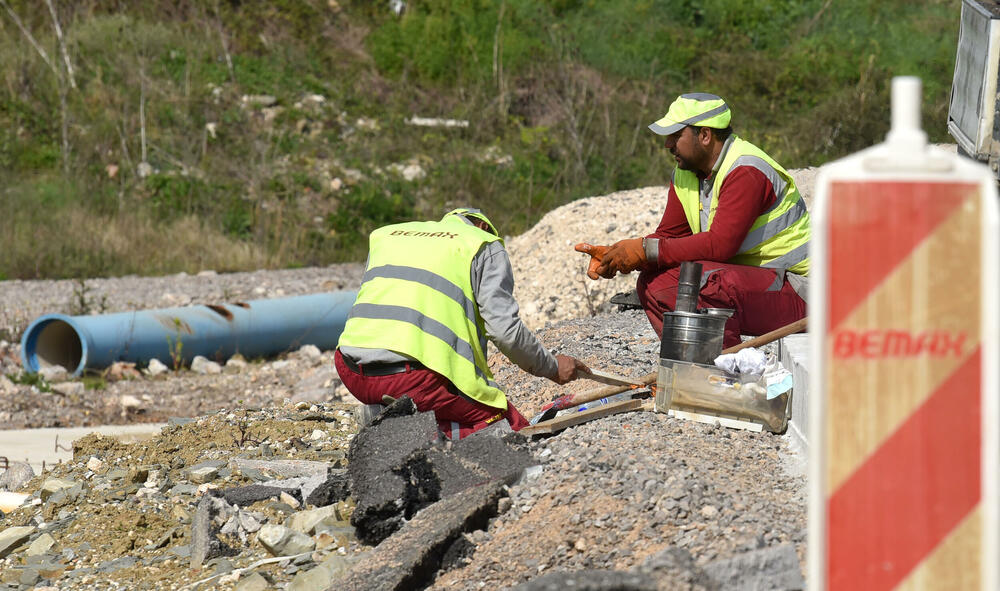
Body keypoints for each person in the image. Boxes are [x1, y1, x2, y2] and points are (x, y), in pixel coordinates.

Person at [576, 93, 809, 348]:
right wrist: (618, 255)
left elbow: (720, 245)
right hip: (764, 284)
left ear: (705, 136)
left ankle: (724, 372)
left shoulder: (746, 169)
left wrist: (643, 250)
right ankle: (692, 366)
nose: (667, 144)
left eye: (676, 136)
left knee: (705, 282)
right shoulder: (687, 175)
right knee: (653, 282)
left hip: (804, 291)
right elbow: (668, 237)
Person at [336, 207, 589, 439]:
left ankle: (387, 416)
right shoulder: (483, 244)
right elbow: (505, 332)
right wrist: (552, 367)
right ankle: (398, 425)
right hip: (412, 380)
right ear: (482, 226)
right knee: (508, 428)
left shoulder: (387, 236)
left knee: (440, 404)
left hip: (350, 369)